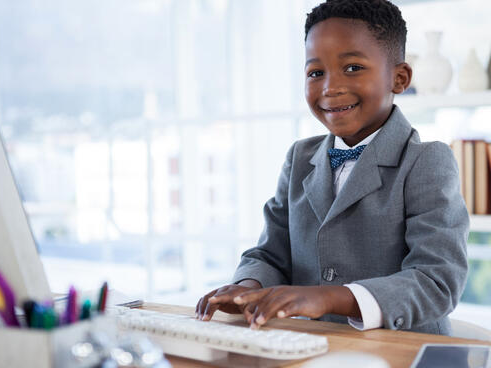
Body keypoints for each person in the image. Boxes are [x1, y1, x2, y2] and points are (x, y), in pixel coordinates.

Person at [196, 0, 468, 335]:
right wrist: (248, 285)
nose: (330, 88)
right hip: (315, 346)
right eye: (315, 73)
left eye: (352, 67)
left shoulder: (427, 161)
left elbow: (436, 281)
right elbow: (269, 255)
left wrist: (328, 297)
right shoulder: (299, 158)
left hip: (403, 351)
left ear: (399, 78)